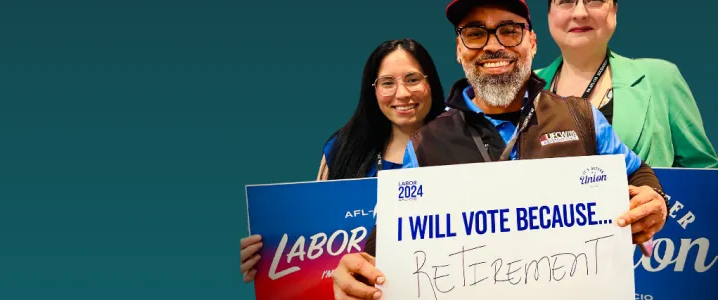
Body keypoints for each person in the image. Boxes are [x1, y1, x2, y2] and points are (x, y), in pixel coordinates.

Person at [331, 1, 670, 299]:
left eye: (509, 31)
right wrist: (358, 273)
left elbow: (638, 173)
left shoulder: (581, 117)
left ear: (533, 43)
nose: (493, 46)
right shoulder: (425, 144)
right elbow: (392, 237)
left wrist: (653, 198)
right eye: (476, 34)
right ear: (459, 50)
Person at [238, 38, 447, 283]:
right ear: (373, 90)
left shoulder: (462, 145)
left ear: (430, 82)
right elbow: (317, 244)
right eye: (387, 83)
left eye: (413, 79)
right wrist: (268, 257)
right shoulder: (342, 150)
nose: (402, 93)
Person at [535, 0, 718, 168]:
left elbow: (703, 175)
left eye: (594, 1)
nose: (580, 13)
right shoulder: (523, 89)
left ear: (614, 10)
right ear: (549, 15)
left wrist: (659, 198)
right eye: (566, 1)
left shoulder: (660, 79)